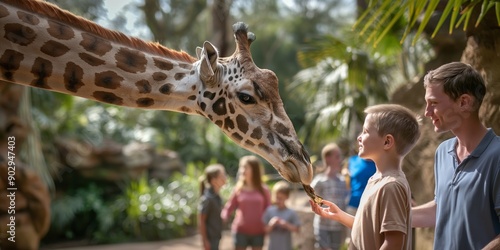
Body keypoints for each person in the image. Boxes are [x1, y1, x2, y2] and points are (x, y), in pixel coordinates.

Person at [412, 62, 500, 249]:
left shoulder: (497, 156)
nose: (427, 113)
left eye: (433, 103)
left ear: (464, 102)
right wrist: (387, 215)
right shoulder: (442, 152)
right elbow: (441, 209)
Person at [310, 104, 421, 250]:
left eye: (365, 131)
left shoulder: (391, 186)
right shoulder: (375, 179)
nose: (359, 137)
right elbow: (367, 230)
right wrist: (339, 215)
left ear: (387, 142)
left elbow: (393, 243)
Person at [221, 155, 271, 250]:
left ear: (254, 170)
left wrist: (269, 224)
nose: (242, 170)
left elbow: (269, 209)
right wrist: (223, 216)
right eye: (241, 167)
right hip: (240, 231)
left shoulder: (264, 190)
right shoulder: (238, 189)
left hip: (259, 232)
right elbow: (229, 207)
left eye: (246, 167)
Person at [310, 143, 350, 250]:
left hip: (337, 226)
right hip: (323, 225)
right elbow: (312, 198)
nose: (340, 159)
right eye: (337, 156)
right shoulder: (319, 181)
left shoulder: (342, 181)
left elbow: (345, 200)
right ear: (327, 158)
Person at [344, 154, 376, 245]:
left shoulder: (379, 161)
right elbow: (347, 182)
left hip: (372, 208)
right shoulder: (352, 160)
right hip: (353, 205)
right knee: (352, 240)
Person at [262, 180, 301, 250]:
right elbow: (264, 230)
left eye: (281, 198)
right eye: (277, 197)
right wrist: (271, 224)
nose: (278, 200)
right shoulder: (269, 211)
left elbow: (297, 229)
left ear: (287, 197)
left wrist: (286, 224)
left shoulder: (291, 212)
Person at [198, 163, 228, 250]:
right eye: (222, 176)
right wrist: (205, 241)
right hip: (210, 238)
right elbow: (201, 221)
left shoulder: (216, 196)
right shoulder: (207, 199)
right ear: (213, 180)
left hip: (216, 237)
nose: (225, 178)